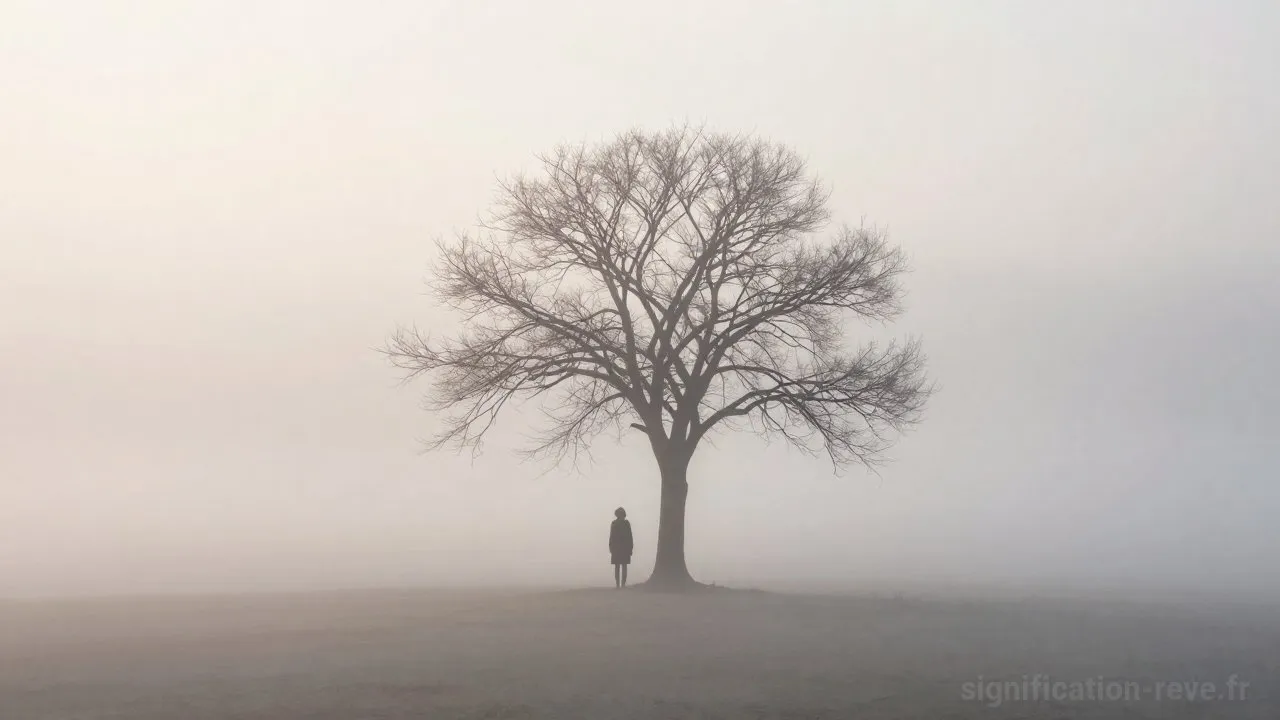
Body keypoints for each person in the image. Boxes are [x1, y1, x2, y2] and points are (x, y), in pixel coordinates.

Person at [609, 507, 633, 588]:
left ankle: (619, 585)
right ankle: (621, 585)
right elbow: (630, 537)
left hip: (619, 548)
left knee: (619, 566)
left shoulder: (615, 523)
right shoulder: (625, 523)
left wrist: (611, 547)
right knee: (622, 566)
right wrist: (630, 548)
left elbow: (611, 537)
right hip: (622, 548)